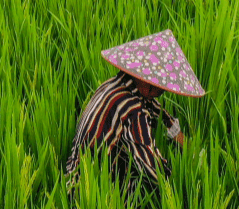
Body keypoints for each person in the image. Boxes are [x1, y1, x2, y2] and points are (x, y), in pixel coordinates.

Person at [64, 30, 205, 198]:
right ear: (148, 83)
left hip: (73, 174)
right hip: (91, 191)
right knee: (142, 186)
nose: (162, 92)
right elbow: (151, 167)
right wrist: (183, 183)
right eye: (161, 87)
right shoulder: (133, 110)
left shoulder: (115, 84)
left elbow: (158, 112)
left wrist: (187, 146)